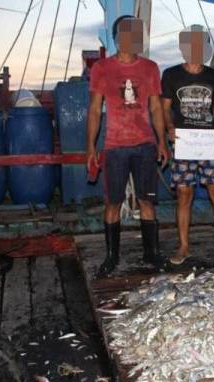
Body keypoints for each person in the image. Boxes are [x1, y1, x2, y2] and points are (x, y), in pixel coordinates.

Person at [86, 16, 169, 276]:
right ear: (117, 36)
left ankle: (152, 254)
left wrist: (162, 141)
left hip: (145, 144)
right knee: (112, 202)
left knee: (147, 201)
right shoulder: (102, 68)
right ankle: (111, 257)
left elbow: (156, 107)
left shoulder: (151, 68)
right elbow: (94, 110)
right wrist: (91, 146)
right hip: (115, 146)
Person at [161, 25, 214, 266]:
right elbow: (165, 109)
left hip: (208, 143)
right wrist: (169, 128)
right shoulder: (171, 74)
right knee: (184, 194)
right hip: (183, 144)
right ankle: (184, 246)